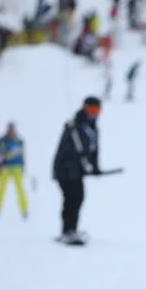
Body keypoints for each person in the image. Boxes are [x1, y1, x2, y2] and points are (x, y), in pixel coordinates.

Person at [52, 96, 102, 245]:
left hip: (77, 170)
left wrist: (95, 167)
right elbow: (69, 149)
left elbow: (94, 151)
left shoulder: (93, 128)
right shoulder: (75, 125)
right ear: (84, 108)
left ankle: (71, 229)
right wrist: (81, 163)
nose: (94, 113)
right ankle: (68, 231)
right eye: (91, 110)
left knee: (78, 197)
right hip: (65, 169)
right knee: (72, 198)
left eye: (97, 110)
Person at [0, 122, 29, 219]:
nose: (12, 131)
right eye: (10, 129)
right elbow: (0, 153)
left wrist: (22, 166)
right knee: (1, 189)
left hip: (16, 167)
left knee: (20, 189)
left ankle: (24, 209)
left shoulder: (19, 141)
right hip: (6, 168)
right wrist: (6, 154)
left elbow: (21, 155)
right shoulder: (2, 141)